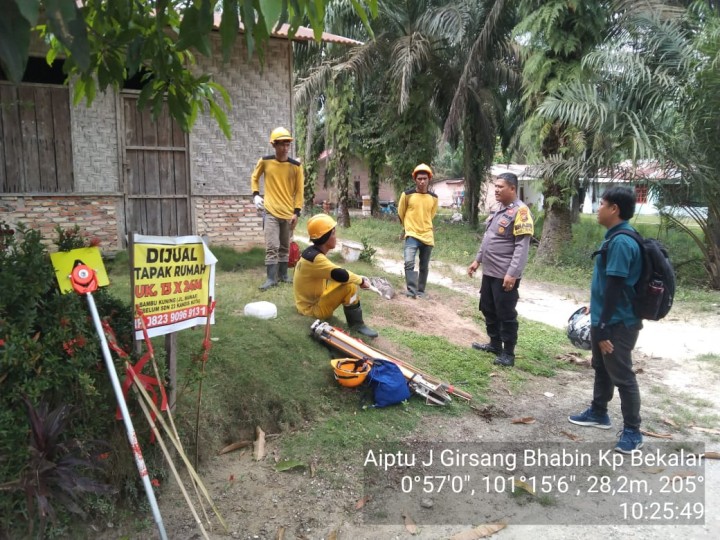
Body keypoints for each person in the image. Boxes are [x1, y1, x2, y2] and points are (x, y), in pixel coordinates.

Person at [568, 187, 644, 454]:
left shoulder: (622, 242)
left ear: (614, 209)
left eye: (601, 203)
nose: (597, 208)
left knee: (622, 376)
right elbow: (611, 287)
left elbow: (615, 286)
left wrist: (602, 327)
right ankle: (599, 412)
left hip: (618, 324)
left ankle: (633, 431)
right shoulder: (614, 237)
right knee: (601, 367)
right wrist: (595, 307)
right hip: (608, 318)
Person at [467, 172, 534, 367]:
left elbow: (522, 248)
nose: (496, 190)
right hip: (489, 271)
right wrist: (477, 260)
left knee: (505, 312)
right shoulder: (500, 210)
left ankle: (509, 353)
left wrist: (512, 274)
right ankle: (494, 344)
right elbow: (489, 238)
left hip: (505, 273)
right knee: (488, 307)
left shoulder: (521, 212)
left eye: (500, 187)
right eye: (495, 186)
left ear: (512, 188)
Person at [293, 214, 378, 338]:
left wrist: (356, 277)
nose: (335, 237)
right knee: (349, 287)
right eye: (333, 233)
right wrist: (361, 281)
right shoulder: (316, 259)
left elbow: (336, 272)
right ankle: (357, 325)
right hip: (312, 310)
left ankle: (357, 324)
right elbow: (341, 275)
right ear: (325, 237)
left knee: (344, 281)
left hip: (306, 304)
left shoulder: (311, 253)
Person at [251, 127, 304, 290]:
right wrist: (255, 194)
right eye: (281, 144)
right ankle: (270, 278)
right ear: (274, 145)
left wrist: (297, 212)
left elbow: (299, 191)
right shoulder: (265, 161)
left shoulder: (295, 166)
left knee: (285, 246)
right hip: (271, 211)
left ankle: (283, 275)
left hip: (288, 213)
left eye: (287, 144)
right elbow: (254, 177)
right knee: (272, 245)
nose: (285, 148)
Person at [398, 163, 439, 298]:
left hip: (427, 235)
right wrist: (406, 228)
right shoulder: (407, 195)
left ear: (429, 179)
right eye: (419, 178)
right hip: (412, 234)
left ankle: (421, 291)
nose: (422, 181)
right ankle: (411, 290)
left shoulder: (434, 198)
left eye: (424, 179)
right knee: (409, 262)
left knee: (424, 265)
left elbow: (431, 215)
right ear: (415, 179)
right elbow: (401, 212)